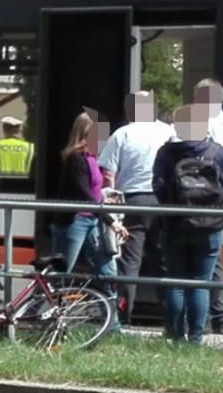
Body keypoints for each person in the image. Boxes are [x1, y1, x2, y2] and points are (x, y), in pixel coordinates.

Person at [152, 103, 223, 345]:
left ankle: (175, 334)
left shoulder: (167, 153)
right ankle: (196, 337)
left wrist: (171, 210)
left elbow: (158, 186)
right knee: (200, 283)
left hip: (175, 224)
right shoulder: (217, 152)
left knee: (176, 282)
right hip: (209, 226)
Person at [98, 91, 175, 327]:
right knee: (164, 262)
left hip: (133, 201)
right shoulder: (168, 132)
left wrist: (110, 205)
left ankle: (123, 318)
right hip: (163, 203)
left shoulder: (123, 134)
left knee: (130, 264)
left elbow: (108, 173)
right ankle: (172, 318)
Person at [49, 110, 127, 303]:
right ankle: (35, 312)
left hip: (93, 219)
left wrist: (104, 197)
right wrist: (111, 222)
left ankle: (113, 323)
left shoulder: (93, 158)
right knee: (61, 271)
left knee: (107, 270)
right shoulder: (76, 158)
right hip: (75, 222)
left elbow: (91, 191)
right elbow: (83, 194)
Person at [195, 78, 223, 335]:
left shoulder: (201, 124)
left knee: (192, 265)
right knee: (214, 258)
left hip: (195, 202)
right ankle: (218, 317)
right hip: (217, 200)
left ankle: (199, 323)